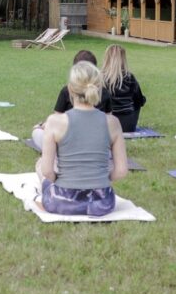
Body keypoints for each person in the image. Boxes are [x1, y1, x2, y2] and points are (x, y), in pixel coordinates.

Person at [37, 61, 128, 216]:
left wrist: (57, 181)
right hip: (103, 202)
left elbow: (47, 171)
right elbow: (121, 171)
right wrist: (98, 180)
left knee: (39, 163)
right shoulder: (112, 123)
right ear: (98, 88)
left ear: (70, 89)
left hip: (62, 201)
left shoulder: (54, 121)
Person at [31, 50, 111, 147]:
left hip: (69, 143)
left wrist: (44, 126)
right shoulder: (104, 92)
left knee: (37, 132)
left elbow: (56, 118)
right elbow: (108, 121)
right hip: (96, 143)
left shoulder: (67, 90)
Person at [101, 44, 146, 132]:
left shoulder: (99, 78)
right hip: (127, 124)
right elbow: (139, 100)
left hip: (106, 124)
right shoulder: (129, 78)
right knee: (139, 100)